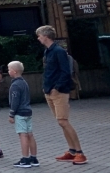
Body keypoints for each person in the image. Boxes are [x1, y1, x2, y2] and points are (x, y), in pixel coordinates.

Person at [36, 25, 87, 165]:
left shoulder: (59, 51)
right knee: (61, 122)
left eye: (39, 35)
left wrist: (57, 87)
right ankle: (72, 151)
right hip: (49, 90)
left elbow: (65, 71)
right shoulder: (47, 51)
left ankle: (80, 153)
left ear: (46, 36)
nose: (38, 38)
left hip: (59, 91)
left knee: (63, 121)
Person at [7, 60, 38, 168]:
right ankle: (33, 157)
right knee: (30, 134)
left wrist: (11, 114)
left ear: (14, 71)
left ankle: (25, 159)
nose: (8, 71)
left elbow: (15, 101)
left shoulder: (15, 85)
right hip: (28, 111)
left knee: (23, 135)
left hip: (20, 113)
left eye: (9, 69)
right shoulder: (24, 82)